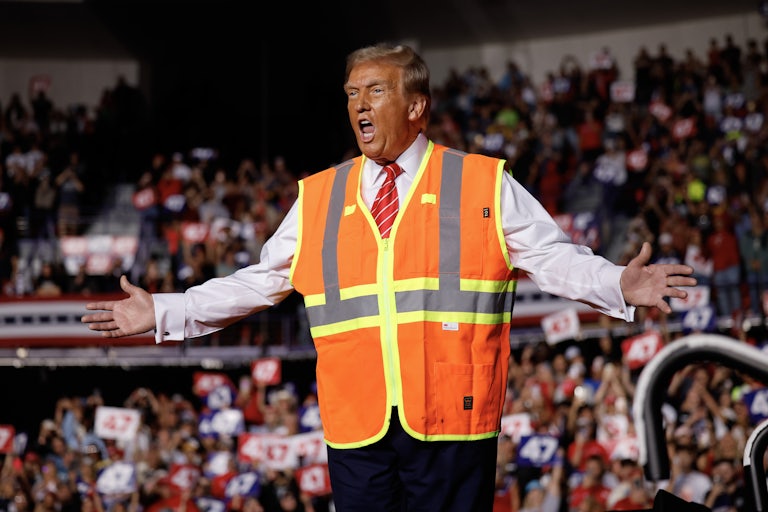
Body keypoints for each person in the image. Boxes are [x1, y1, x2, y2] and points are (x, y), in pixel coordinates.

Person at [82, 43, 696, 511]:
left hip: (453, 421)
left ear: (416, 106)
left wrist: (619, 284)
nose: (358, 105)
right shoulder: (320, 197)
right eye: (351, 94)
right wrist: (162, 311)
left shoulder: (480, 181)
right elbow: (257, 281)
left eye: (374, 91)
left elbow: (553, 257)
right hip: (357, 429)